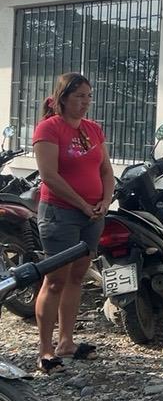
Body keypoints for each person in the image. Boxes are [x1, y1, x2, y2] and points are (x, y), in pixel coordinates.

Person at [32, 73, 115, 374]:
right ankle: (45, 349)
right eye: (79, 96)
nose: (85, 102)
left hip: (92, 215)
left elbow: (106, 170)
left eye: (88, 96)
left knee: (77, 277)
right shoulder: (49, 128)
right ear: (63, 98)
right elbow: (49, 176)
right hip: (61, 213)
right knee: (55, 279)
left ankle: (66, 341)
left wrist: (105, 201)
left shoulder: (92, 129)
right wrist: (82, 204)